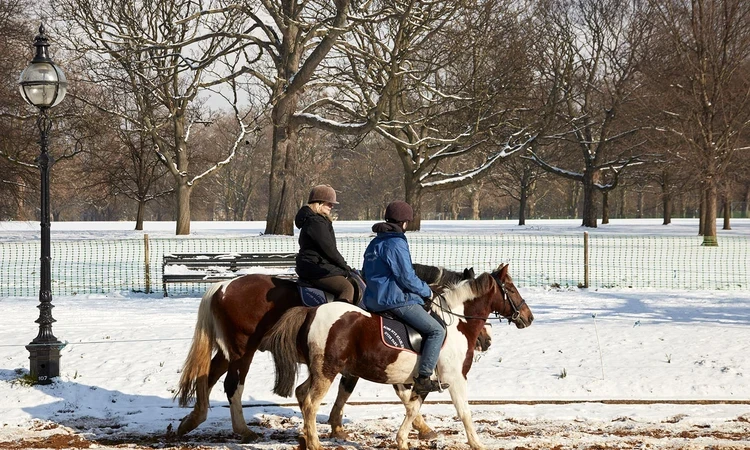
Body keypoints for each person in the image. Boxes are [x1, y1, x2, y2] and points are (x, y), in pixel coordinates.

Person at [362, 200, 449, 395]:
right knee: (436, 330)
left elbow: (365, 273)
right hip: (394, 301)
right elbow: (407, 277)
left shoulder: (375, 242)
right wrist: (426, 292)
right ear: (403, 222)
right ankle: (424, 377)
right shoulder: (396, 242)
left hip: (371, 301)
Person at [295, 184, 355, 303]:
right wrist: (344, 266)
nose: (331, 206)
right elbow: (329, 249)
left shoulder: (316, 220)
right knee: (347, 287)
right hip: (315, 267)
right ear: (319, 203)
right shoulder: (315, 222)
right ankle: (340, 321)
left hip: (316, 264)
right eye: (329, 203)